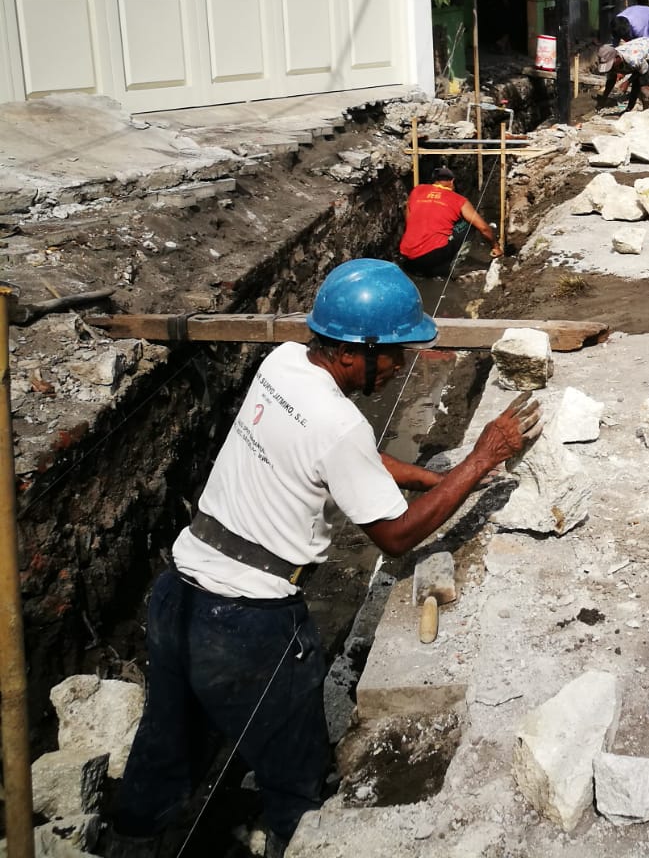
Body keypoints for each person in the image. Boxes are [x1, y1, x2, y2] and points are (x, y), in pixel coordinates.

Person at [113, 260, 543, 850]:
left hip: (180, 594)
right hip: (249, 622)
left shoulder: (283, 364)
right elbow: (393, 536)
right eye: (392, 355)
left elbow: (343, 456)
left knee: (166, 745)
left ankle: (131, 838)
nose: (399, 368)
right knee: (296, 773)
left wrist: (423, 477)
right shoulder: (338, 422)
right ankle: (300, 837)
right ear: (351, 353)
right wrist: (479, 460)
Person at [398, 164, 500, 277]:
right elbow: (484, 228)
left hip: (407, 255)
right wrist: (495, 246)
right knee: (469, 223)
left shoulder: (417, 190)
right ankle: (454, 265)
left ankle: (422, 269)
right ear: (452, 181)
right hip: (432, 257)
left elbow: (408, 220)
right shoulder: (458, 200)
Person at [597, 35, 649, 111]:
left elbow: (643, 71)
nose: (611, 67)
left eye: (611, 64)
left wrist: (627, 82)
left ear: (618, 58)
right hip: (641, 50)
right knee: (636, 82)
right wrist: (603, 100)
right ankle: (630, 108)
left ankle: (646, 112)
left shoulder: (633, 59)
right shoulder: (613, 59)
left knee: (643, 86)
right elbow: (611, 81)